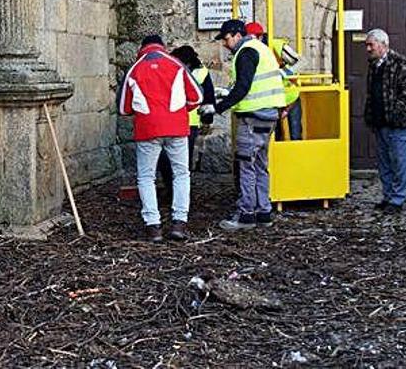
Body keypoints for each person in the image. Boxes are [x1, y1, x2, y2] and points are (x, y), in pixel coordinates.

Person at [199, 19, 285, 231]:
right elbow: (251, 84)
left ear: (237, 34)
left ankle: (246, 214)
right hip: (268, 115)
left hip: (253, 117)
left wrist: (216, 108)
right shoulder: (261, 49)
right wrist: (226, 92)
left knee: (246, 165)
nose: (225, 44)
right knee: (259, 165)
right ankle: (264, 212)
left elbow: (244, 88)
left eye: (227, 39)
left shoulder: (245, 52)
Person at [118, 34, 203, 242]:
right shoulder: (176, 65)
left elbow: (123, 108)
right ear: (163, 47)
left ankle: (153, 225)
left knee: (146, 177)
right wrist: (179, 110)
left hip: (147, 129)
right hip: (176, 127)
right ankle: (179, 223)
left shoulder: (135, 69)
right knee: (181, 174)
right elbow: (197, 97)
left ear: (142, 48)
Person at [362, 28, 406, 213]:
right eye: (367, 45)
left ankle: (398, 199)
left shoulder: (400, 63)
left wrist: (396, 116)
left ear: (383, 44)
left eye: (371, 44)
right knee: (384, 163)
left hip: (397, 124)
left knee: (400, 162)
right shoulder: (373, 65)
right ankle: (388, 196)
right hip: (379, 123)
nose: (368, 49)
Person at [157, 45, 216, 196]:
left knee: (165, 158)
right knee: (183, 161)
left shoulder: (173, 70)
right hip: (190, 122)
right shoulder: (202, 72)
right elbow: (208, 96)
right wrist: (208, 118)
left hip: (173, 121)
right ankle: (180, 193)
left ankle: (172, 190)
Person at [246, 21, 303, 141]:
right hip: (270, 100)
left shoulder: (276, 45)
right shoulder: (247, 51)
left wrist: (284, 72)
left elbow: (301, 62)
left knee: (295, 134)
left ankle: (296, 159)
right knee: (274, 137)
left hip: (289, 96)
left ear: (260, 37)